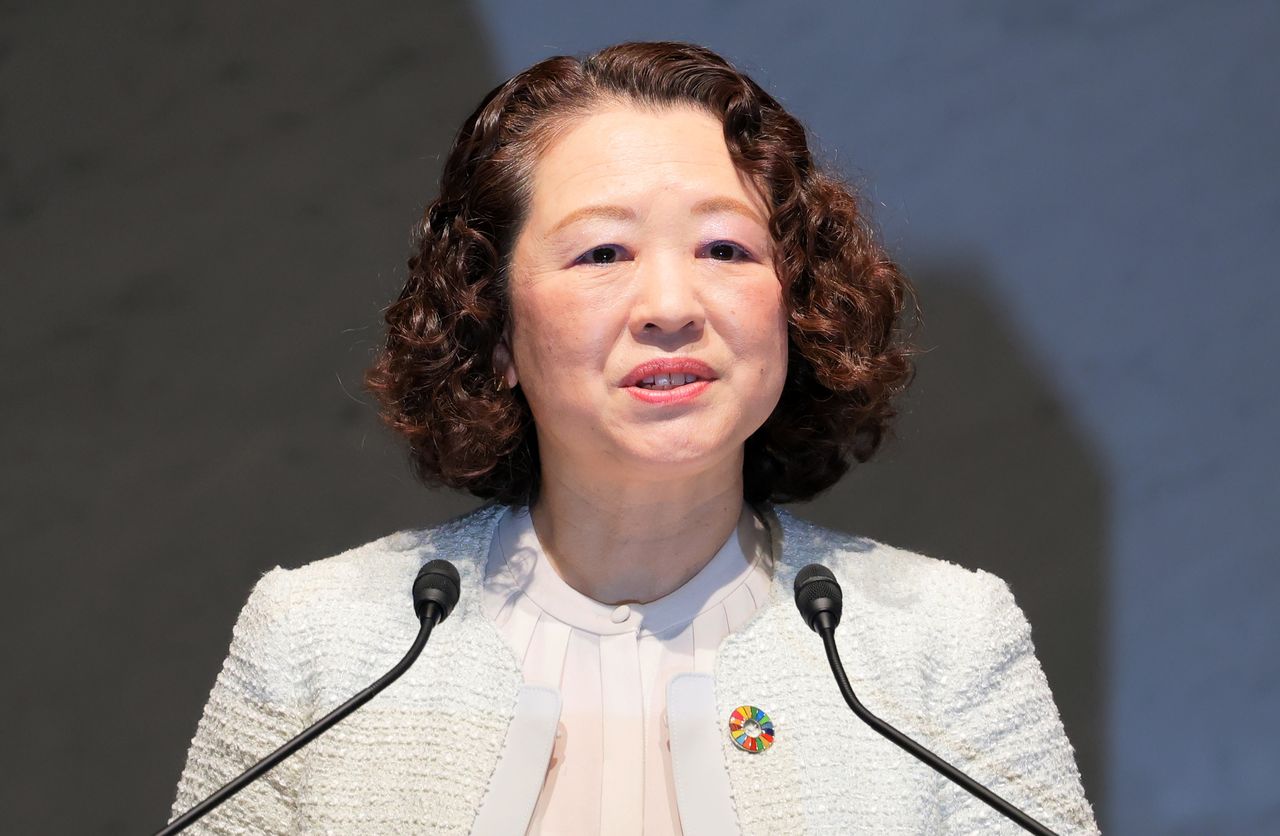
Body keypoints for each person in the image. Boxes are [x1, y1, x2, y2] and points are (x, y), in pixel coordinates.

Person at [170, 41, 1100, 835]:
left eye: (725, 249)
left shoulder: (939, 640)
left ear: (796, 309)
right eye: (603, 253)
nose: (670, 306)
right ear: (494, 326)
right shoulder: (326, 643)